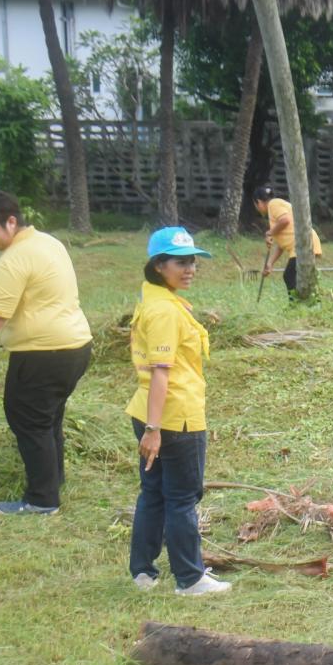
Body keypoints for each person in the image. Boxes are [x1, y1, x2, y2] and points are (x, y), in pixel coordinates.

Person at [0, 191, 92, 516]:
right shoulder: (48, 242)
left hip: (44, 353)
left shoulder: (14, 258)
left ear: (11, 221)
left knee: (26, 419)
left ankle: (41, 500)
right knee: (47, 418)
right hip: (76, 346)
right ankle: (53, 481)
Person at [126, 227, 231, 596]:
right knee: (183, 496)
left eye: (193, 262)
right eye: (180, 262)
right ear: (158, 266)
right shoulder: (165, 312)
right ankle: (189, 578)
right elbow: (161, 372)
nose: (190, 269)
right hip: (174, 418)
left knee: (153, 491)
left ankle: (143, 572)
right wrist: (154, 429)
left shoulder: (153, 300)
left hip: (151, 412)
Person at [252, 186, 322, 297]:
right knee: (300, 277)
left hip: (302, 244)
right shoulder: (276, 209)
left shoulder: (273, 204)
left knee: (289, 276)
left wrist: (270, 232)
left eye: (255, 205)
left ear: (259, 202)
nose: (257, 208)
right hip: (304, 243)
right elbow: (280, 245)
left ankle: (296, 305)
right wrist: (270, 264)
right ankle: (308, 302)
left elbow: (285, 220)